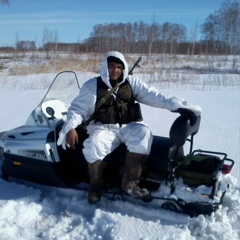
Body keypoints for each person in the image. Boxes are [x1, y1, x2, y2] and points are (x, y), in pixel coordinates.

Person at [57, 51, 201, 204]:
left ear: (123, 68)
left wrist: (179, 107)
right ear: (105, 67)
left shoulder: (132, 83)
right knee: (93, 145)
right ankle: (96, 184)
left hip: (129, 126)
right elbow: (77, 109)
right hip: (103, 128)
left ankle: (130, 184)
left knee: (143, 133)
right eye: (112, 66)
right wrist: (71, 127)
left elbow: (155, 96)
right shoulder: (92, 86)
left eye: (119, 67)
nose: (115, 70)